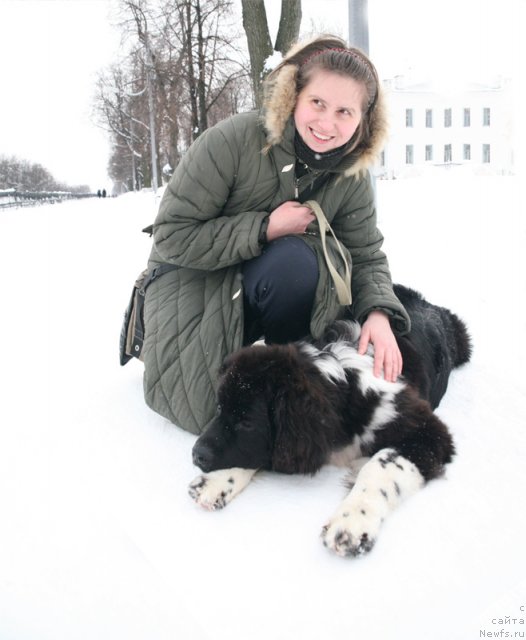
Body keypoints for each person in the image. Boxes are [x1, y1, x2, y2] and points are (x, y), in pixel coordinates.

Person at [140, 35, 410, 435]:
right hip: (195, 281)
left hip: (269, 288)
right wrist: (265, 228)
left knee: (300, 266)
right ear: (294, 97)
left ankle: (290, 374)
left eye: (344, 111)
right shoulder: (231, 141)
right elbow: (172, 237)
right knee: (211, 408)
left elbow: (366, 254)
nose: (326, 123)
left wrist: (378, 313)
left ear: (363, 119)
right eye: (317, 103)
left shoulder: (351, 174)